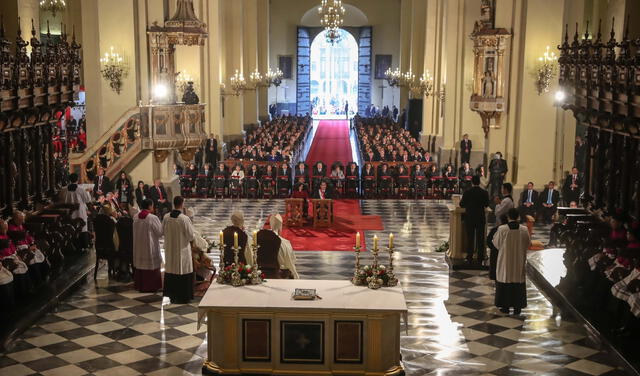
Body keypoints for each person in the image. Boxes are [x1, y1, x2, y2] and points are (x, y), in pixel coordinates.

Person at [493, 208, 531, 315]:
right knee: (517, 280)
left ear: (508, 217)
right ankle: (517, 308)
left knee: (506, 279)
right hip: (518, 260)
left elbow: (496, 244)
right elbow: (528, 244)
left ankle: (505, 307)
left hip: (505, 260)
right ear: (518, 217)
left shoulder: (502, 229)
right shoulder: (524, 229)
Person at [162, 196, 194, 304]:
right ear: (182, 204)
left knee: (171, 270)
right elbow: (190, 236)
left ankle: (171, 295)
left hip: (170, 250)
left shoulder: (166, 217)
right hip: (182, 250)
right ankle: (183, 297)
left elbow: (162, 231)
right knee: (182, 269)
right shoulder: (184, 219)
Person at [132, 199, 163, 293]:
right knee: (151, 266)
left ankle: (140, 285)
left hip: (139, 246)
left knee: (141, 265)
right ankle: (151, 286)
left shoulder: (136, 216)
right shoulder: (152, 218)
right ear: (149, 206)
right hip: (149, 246)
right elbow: (159, 233)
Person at [459, 175, 490, 264]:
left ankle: (469, 257)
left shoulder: (467, 192)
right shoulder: (484, 192)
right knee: (480, 239)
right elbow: (487, 204)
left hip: (470, 218)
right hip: (480, 218)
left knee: (470, 238)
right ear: (479, 182)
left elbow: (462, 204)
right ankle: (480, 258)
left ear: (472, 182)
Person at [60, 173, 92, 248]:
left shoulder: (63, 189)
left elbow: (61, 200)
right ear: (77, 179)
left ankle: (71, 245)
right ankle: (83, 245)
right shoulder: (81, 190)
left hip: (68, 215)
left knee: (70, 230)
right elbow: (87, 201)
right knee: (82, 229)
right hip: (80, 214)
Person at [268, 214, 299, 278]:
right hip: (280, 274)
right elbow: (290, 261)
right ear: (280, 227)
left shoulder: (261, 239)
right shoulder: (285, 243)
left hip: (262, 272)